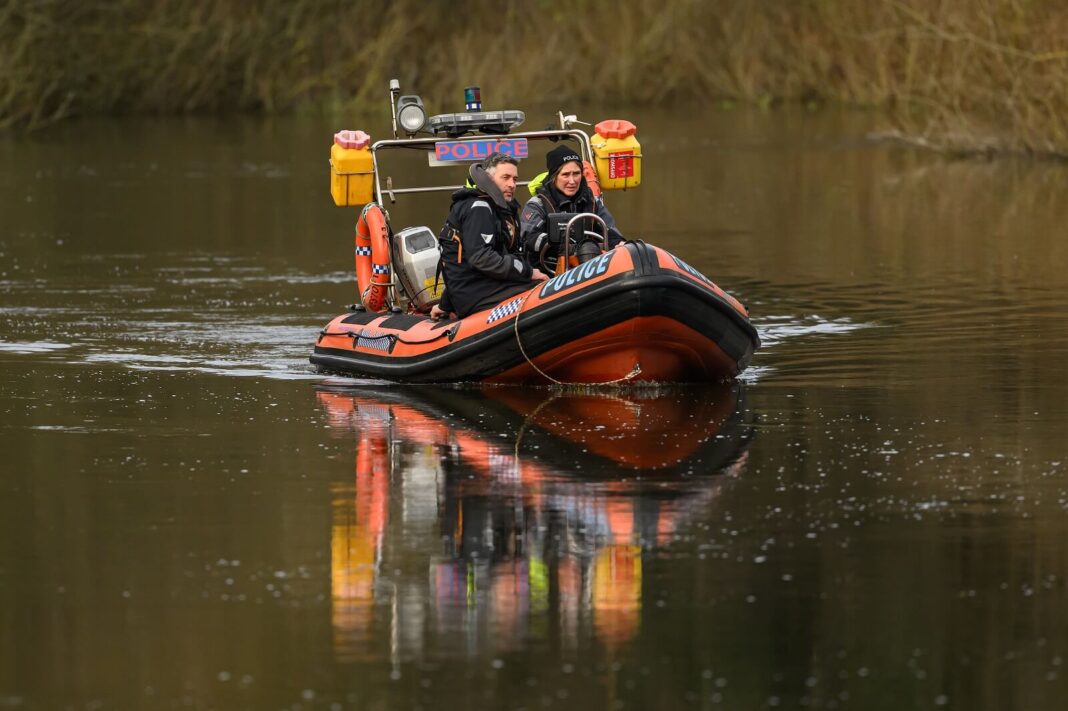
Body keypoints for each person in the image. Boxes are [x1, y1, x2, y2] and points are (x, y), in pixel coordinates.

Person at [431, 153, 548, 320]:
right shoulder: (479, 208)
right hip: (476, 293)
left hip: (478, 287)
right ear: (488, 178)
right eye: (505, 177)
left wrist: (445, 304)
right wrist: (528, 272)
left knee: (542, 286)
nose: (512, 184)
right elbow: (481, 258)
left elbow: (462, 261)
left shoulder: (499, 209)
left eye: (515, 179)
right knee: (541, 292)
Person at [519, 144, 625, 270]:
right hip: (549, 272)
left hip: (589, 268)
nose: (572, 181)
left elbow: (610, 232)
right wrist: (558, 245)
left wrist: (621, 244)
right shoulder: (537, 204)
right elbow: (528, 238)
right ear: (554, 177)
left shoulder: (593, 202)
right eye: (565, 175)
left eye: (576, 173)